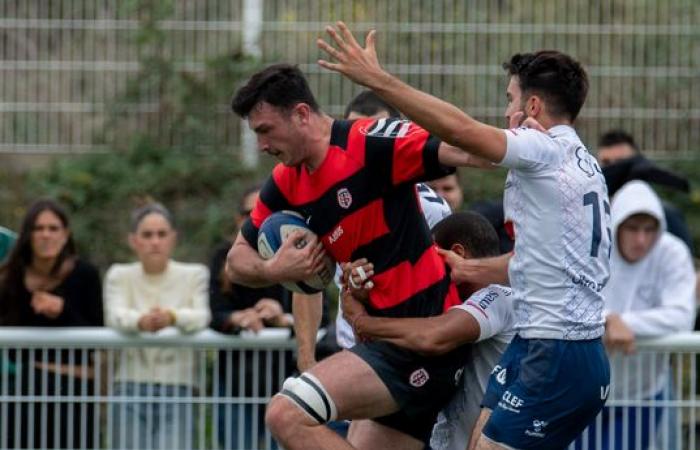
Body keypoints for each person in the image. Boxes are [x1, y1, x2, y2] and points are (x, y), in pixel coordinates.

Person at [318, 22, 611, 449]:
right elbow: (538, 263)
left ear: (531, 105)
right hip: (542, 344)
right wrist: (470, 268)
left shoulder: (543, 148)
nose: (506, 114)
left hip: (558, 350)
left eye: (509, 100)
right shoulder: (584, 164)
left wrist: (376, 80)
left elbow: (461, 132)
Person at [226, 63, 490, 450]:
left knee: (285, 414)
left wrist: (524, 147)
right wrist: (273, 268)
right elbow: (236, 259)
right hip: (380, 347)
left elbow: (467, 148)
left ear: (301, 114)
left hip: (422, 345)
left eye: (265, 131)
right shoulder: (287, 181)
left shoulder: (370, 143)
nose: (262, 145)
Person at [341, 211, 515, 450]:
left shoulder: (499, 295)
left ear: (457, 254)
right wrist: (362, 296)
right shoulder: (457, 305)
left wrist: (360, 320)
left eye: (432, 259)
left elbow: (431, 337)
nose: (428, 272)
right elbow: (403, 333)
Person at [575, 180, 696, 450]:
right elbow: (567, 302)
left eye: (649, 229)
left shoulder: (672, 252)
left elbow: (681, 316)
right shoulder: (591, 249)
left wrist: (624, 322)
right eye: (632, 228)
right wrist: (607, 318)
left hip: (642, 395)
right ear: (615, 224)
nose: (641, 239)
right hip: (584, 394)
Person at [104, 202, 210, 450]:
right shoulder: (119, 274)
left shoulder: (195, 274)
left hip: (179, 387)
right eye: (147, 234)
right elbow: (114, 314)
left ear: (173, 238)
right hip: (128, 386)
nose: (155, 241)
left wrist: (172, 317)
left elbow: (202, 316)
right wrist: (140, 321)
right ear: (133, 240)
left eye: (162, 234)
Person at [0, 199, 103, 449]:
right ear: (28, 235)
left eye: (53, 228)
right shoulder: (11, 276)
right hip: (26, 388)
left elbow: (96, 336)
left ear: (66, 234)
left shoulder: (85, 274)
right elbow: (9, 344)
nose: (46, 235)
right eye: (38, 228)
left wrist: (62, 311)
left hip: (75, 390)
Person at [209, 185, 294, 450]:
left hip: (285, 382)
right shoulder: (224, 257)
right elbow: (214, 313)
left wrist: (283, 318)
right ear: (238, 219)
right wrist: (238, 318)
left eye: (266, 211)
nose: (257, 219)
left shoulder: (299, 252)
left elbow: (321, 318)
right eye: (250, 212)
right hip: (234, 381)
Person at [597, 129, 693, 251]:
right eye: (606, 163)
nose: (614, 169)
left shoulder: (666, 215)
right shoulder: (595, 212)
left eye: (621, 163)